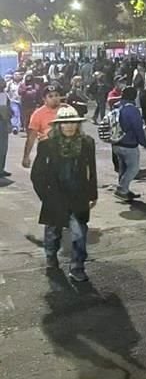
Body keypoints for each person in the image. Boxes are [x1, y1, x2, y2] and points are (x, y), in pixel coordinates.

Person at [30, 106, 97, 281]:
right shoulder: (47, 144)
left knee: (80, 234)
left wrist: (93, 194)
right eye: (65, 123)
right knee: (53, 231)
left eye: (73, 122)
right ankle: (51, 257)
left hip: (78, 196)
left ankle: (77, 266)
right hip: (56, 197)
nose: (69, 126)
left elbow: (92, 170)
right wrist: (46, 196)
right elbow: (37, 174)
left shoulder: (87, 143)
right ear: (58, 125)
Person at [113, 86, 146, 202]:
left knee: (123, 167)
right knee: (133, 169)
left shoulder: (116, 106)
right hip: (129, 144)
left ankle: (125, 190)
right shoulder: (132, 110)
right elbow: (137, 128)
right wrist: (143, 142)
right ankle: (122, 189)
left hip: (116, 142)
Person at [22, 85, 62, 169]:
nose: (54, 98)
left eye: (57, 95)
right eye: (50, 96)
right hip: (47, 151)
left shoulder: (67, 110)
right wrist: (26, 156)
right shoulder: (38, 114)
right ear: (44, 99)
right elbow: (31, 137)